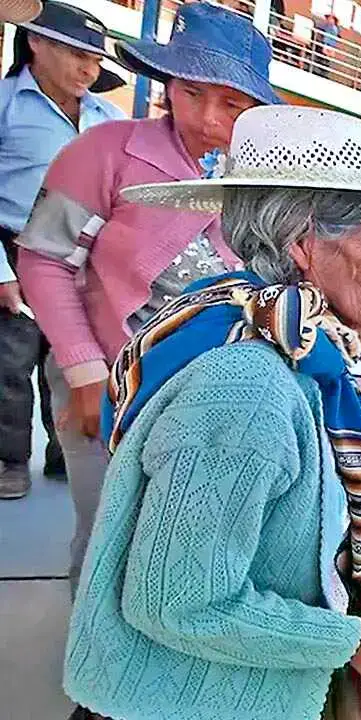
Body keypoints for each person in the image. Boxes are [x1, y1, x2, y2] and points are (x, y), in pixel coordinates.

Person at [63, 105, 361, 720]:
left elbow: (305, 454)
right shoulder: (249, 387)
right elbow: (177, 602)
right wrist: (350, 642)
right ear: (305, 244)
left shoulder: (286, 343)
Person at [15, 1, 275, 591]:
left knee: (171, 541)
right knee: (107, 536)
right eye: (191, 93)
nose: (207, 117)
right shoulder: (106, 150)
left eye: (231, 103)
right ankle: (89, 643)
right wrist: (85, 374)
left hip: (204, 395)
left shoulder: (259, 181)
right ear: (167, 86)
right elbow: (45, 260)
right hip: (106, 379)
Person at [0, 1, 125, 499]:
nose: (88, 70)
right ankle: (8, 461)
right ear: (35, 42)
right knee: (9, 365)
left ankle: (64, 456)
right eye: (77, 54)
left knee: (77, 360)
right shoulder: (5, 105)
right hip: (14, 250)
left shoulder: (109, 119)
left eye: (95, 60)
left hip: (85, 260)